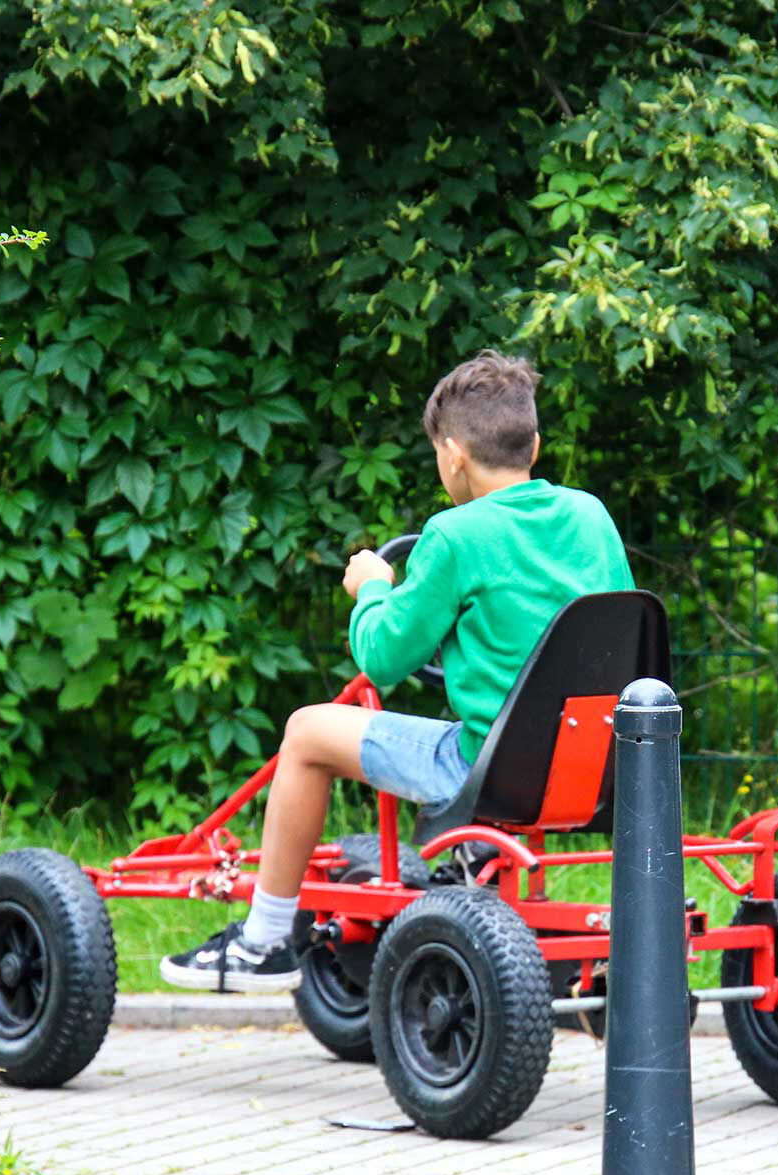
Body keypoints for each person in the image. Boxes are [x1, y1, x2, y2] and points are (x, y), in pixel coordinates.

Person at [160, 351, 634, 992]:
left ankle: (265, 939)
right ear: (535, 445)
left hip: (494, 769)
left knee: (306, 733)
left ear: (453, 454)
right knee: (487, 721)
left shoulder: (455, 535)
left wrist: (375, 590)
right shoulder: (590, 516)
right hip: (598, 762)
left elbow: (382, 658)